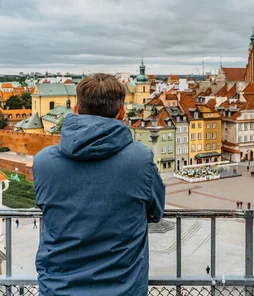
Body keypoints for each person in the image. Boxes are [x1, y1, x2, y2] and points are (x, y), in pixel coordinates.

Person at [34, 73, 165, 296]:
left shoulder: (44, 161)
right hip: (123, 289)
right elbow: (156, 211)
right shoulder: (140, 160)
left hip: (59, 288)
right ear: (122, 112)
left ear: (76, 109)